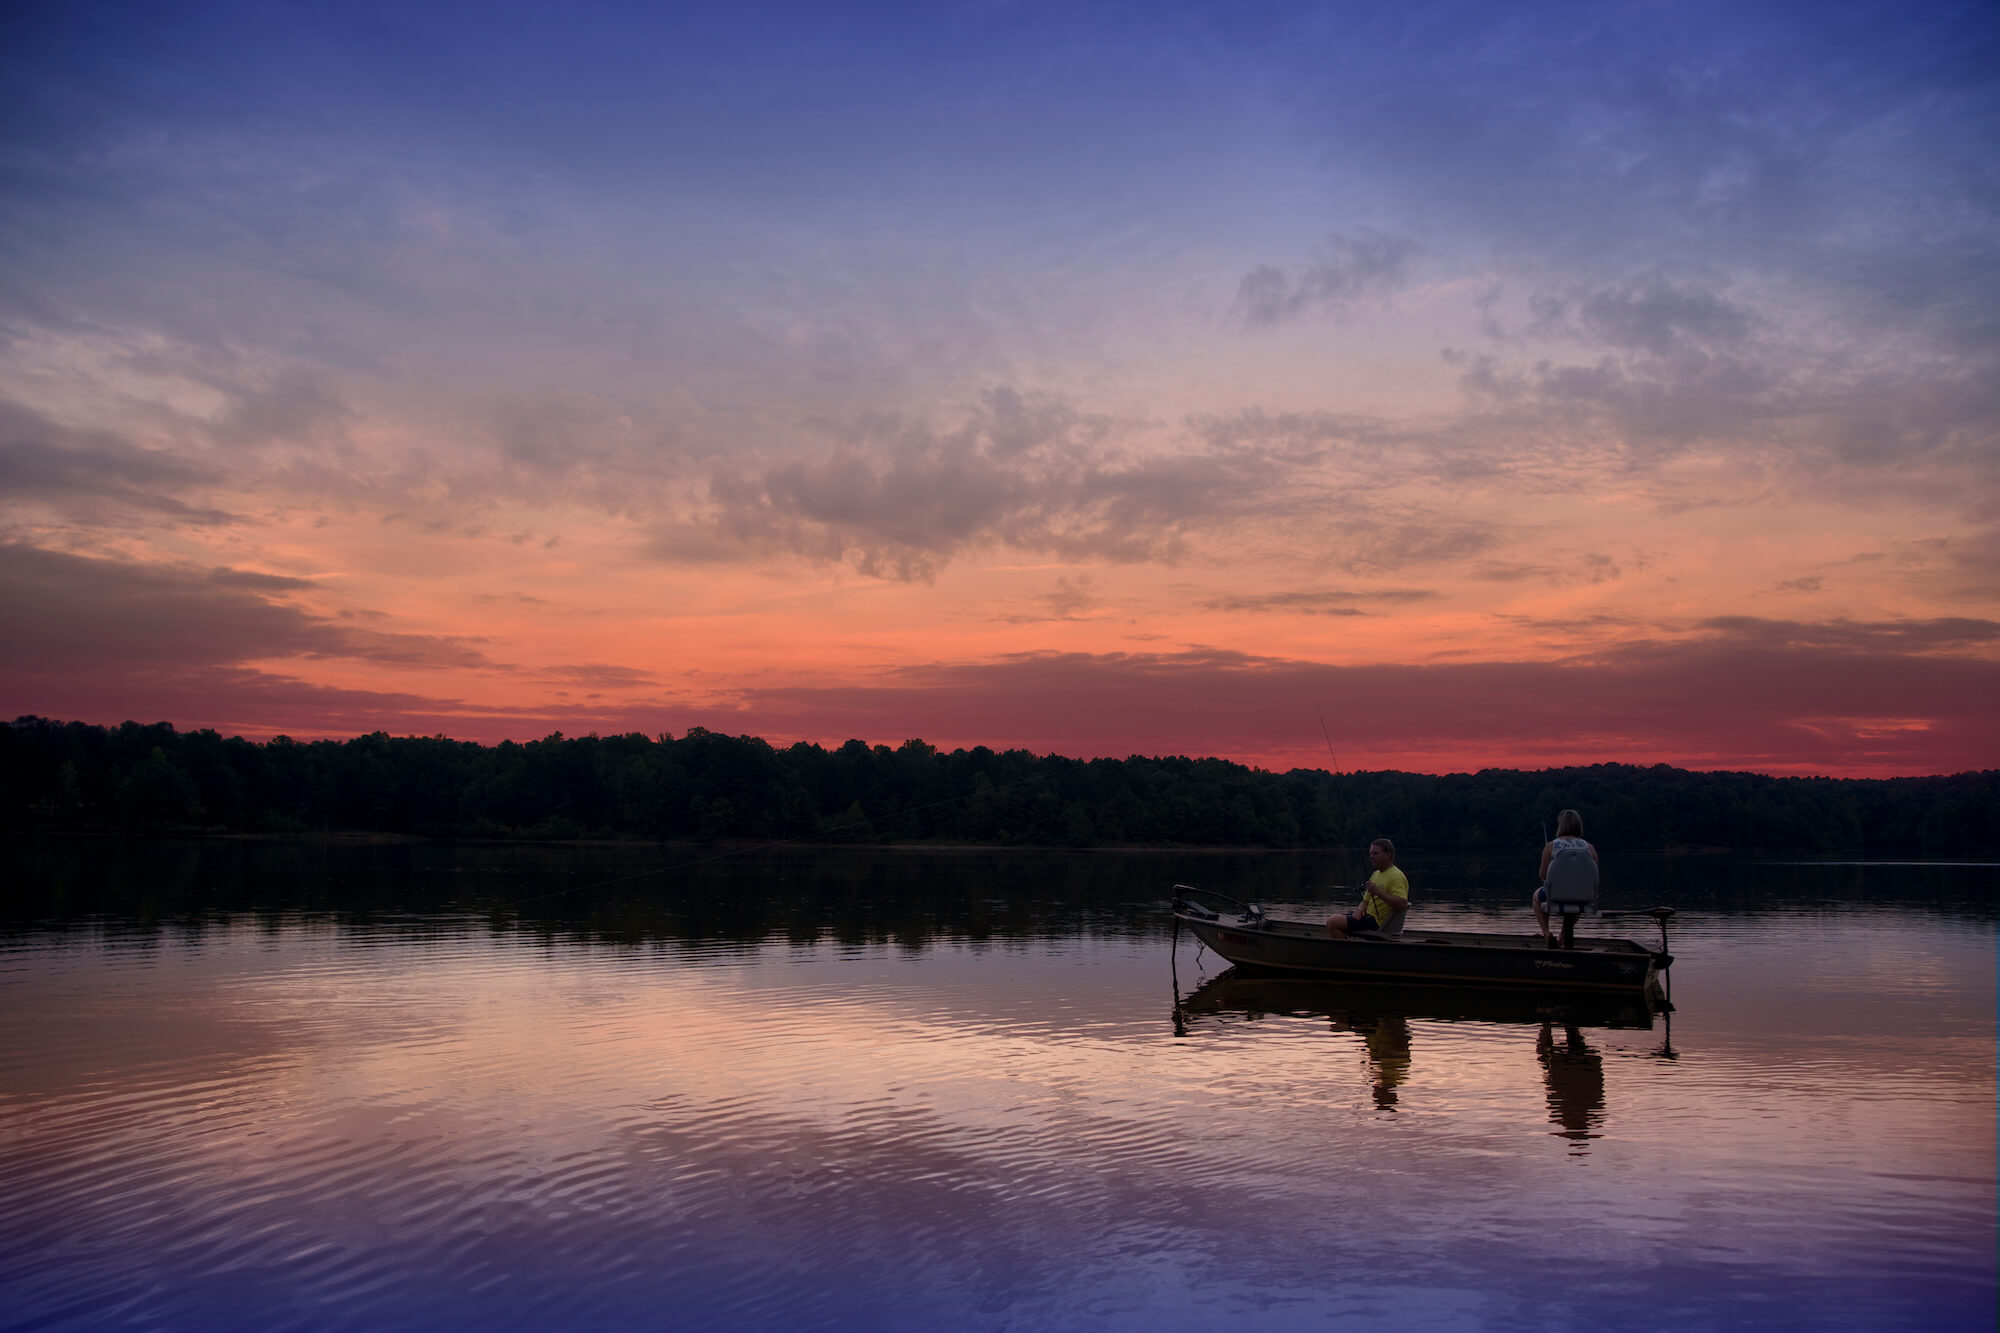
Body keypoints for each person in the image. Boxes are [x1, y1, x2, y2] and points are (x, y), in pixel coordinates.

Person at [1534, 809, 1599, 945]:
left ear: (1561, 825)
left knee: (1536, 897)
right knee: (1580, 899)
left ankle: (1547, 933)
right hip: (1583, 898)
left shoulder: (1551, 846)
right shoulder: (1590, 848)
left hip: (1555, 897)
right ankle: (1563, 934)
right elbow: (1593, 876)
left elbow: (1542, 874)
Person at [1326, 838, 1410, 939]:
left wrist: (1378, 892)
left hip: (1377, 923)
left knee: (1333, 922)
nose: (1371, 857)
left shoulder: (1396, 876)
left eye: (1375, 853)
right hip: (1367, 918)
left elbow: (1402, 904)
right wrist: (1360, 910)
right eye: (1370, 853)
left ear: (1388, 854)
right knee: (1331, 921)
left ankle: (1346, 953)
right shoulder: (1375, 874)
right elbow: (1365, 901)